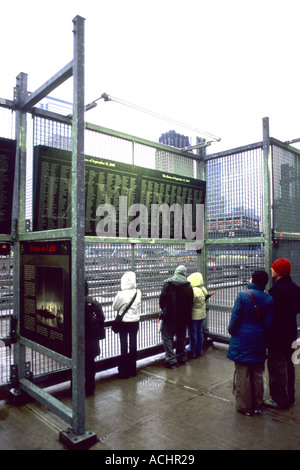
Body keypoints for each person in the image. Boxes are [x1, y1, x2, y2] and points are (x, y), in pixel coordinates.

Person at [227, 271, 273, 416]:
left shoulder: (243, 295)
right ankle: (258, 405)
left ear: (253, 279)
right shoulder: (269, 299)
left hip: (242, 339)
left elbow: (235, 317)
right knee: (258, 373)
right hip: (259, 339)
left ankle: (245, 406)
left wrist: (231, 330)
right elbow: (269, 324)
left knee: (243, 373)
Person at [265, 258, 300, 409]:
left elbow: (272, 314)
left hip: (277, 334)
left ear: (278, 272)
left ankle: (279, 399)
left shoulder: (276, 291)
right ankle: (290, 396)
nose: (271, 270)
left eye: (273, 268)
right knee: (289, 364)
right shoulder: (296, 288)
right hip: (291, 331)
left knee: (276, 366)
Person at [159, 265, 194, 368]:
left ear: (175, 272)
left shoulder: (168, 284)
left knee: (167, 337)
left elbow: (162, 300)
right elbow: (190, 302)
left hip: (169, 316)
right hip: (183, 318)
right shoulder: (188, 286)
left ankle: (170, 360)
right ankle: (181, 357)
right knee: (181, 337)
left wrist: (164, 309)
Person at [112, 271, 142, 379]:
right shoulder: (138, 292)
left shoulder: (121, 294)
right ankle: (133, 369)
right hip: (134, 322)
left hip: (124, 323)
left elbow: (115, 307)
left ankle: (124, 372)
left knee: (123, 346)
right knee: (133, 346)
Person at [85, 280, 105, 395]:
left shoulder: (72, 301)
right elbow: (101, 319)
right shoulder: (94, 302)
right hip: (92, 340)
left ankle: (75, 388)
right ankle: (90, 388)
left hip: (77, 340)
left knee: (76, 365)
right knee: (90, 364)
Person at [186, 272, 208, 358]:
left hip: (194, 315)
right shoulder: (203, 289)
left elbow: (190, 302)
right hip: (202, 315)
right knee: (200, 332)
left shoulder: (193, 290)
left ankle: (192, 351)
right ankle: (200, 350)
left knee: (193, 333)